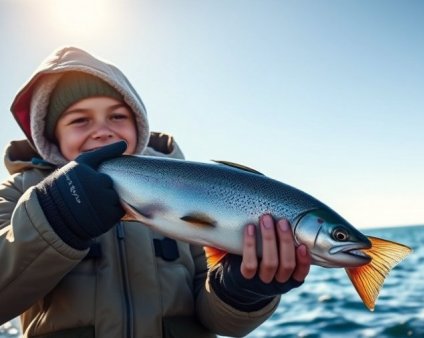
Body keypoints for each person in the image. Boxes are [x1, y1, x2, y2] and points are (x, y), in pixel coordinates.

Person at [0, 46, 311, 337]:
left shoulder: (192, 191)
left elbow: (219, 321)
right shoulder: (17, 192)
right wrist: (55, 217)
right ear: (51, 134)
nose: (102, 129)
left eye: (118, 116)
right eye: (80, 120)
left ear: (139, 123)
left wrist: (242, 291)